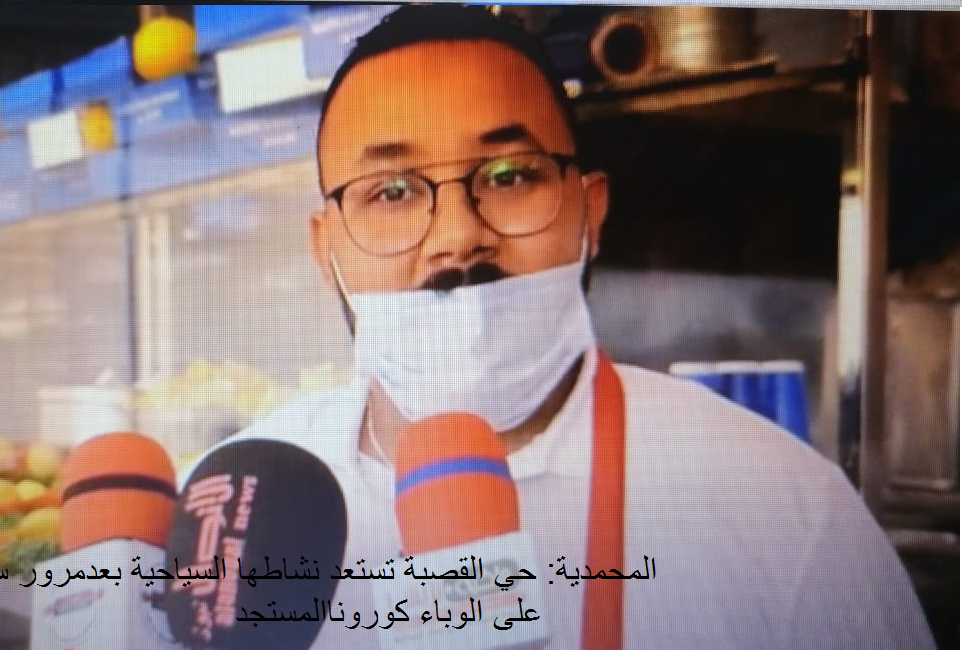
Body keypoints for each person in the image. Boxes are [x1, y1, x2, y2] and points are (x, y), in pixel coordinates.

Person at [217, 6, 936, 649]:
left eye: (509, 176)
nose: (458, 236)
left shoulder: (783, 509)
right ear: (327, 249)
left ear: (590, 212)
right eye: (393, 191)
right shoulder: (234, 511)